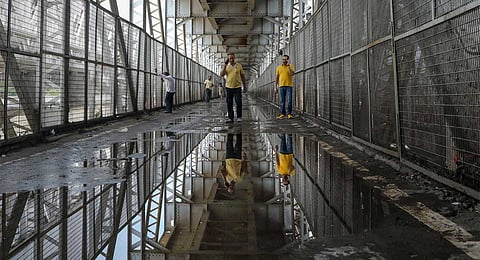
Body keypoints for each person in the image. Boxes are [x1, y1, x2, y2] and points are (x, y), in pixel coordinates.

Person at [220, 53, 247, 123]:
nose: (231, 60)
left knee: (238, 102)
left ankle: (239, 117)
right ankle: (230, 118)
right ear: (228, 59)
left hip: (237, 87)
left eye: (232, 58)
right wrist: (225, 65)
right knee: (229, 103)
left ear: (234, 58)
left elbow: (242, 76)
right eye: (230, 58)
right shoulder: (226, 66)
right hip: (228, 87)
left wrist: (244, 85)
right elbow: (222, 74)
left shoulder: (239, 66)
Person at [275, 55, 295, 119]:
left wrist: (288, 67)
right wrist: (275, 87)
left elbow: (292, 74)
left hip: (289, 86)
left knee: (289, 101)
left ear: (288, 60)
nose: (284, 61)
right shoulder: (279, 67)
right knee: (282, 101)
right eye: (283, 59)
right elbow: (277, 78)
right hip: (281, 86)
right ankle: (282, 113)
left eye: (286, 59)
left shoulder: (291, 66)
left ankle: (289, 114)